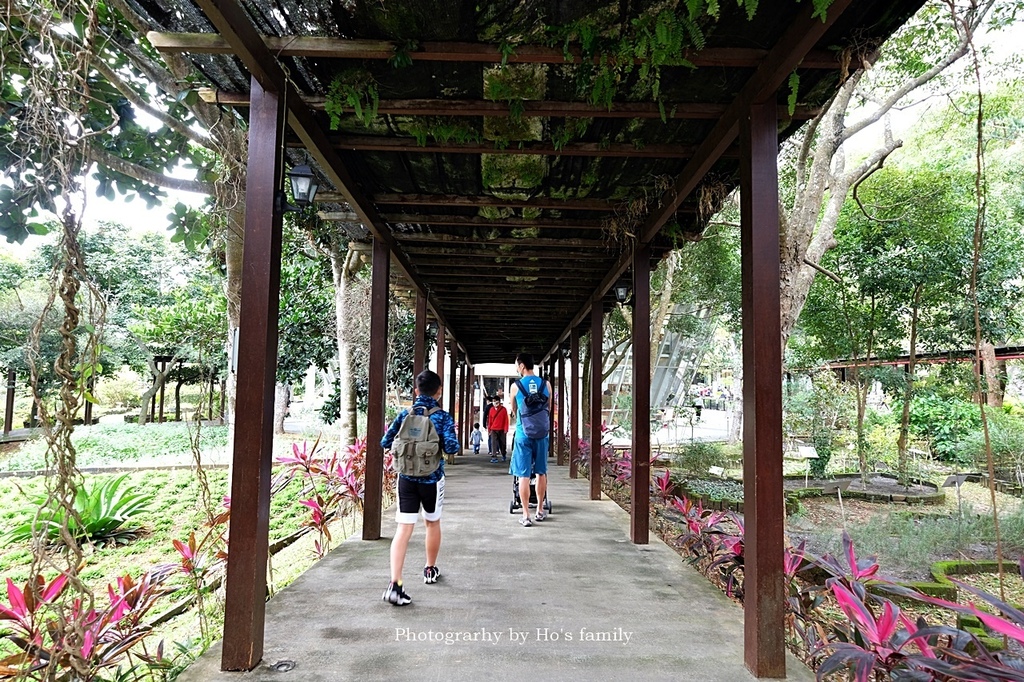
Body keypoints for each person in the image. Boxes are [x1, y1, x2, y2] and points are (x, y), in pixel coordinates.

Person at [380, 370, 459, 606]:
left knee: (403, 529)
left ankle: (395, 584)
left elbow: (385, 442)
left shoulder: (404, 414)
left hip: (406, 479)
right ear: (439, 392)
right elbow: (452, 447)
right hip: (432, 479)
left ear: (416, 391)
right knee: (432, 523)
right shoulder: (442, 417)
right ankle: (429, 569)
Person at [509, 353, 552, 527]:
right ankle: (540, 510)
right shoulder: (546, 384)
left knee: (524, 475)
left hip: (523, 434)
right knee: (541, 472)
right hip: (542, 434)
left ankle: (526, 515)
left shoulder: (516, 386)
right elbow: (549, 407)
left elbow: (513, 409)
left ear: (521, 366)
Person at [487, 396, 509, 464]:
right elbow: (490, 420)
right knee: (493, 443)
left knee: (502, 443)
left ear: (499, 401)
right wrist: (489, 429)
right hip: (493, 429)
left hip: (502, 429)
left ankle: (503, 454)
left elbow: (506, 420)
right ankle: (494, 457)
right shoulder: (491, 409)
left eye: (495, 401)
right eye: (493, 401)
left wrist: (506, 429)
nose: (494, 402)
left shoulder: (504, 409)